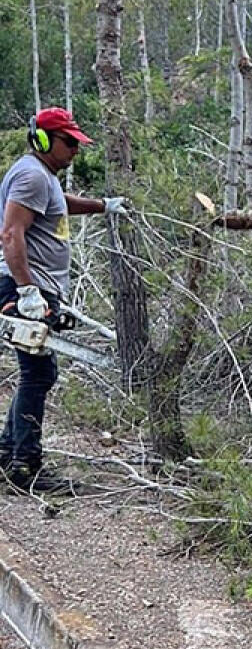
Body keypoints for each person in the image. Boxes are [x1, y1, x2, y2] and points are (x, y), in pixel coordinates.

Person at [0, 108, 127, 494]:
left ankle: (9, 455)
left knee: (39, 373)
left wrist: (102, 205)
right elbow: (10, 234)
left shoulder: (43, 177)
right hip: (24, 289)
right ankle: (25, 466)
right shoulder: (30, 175)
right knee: (38, 374)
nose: (75, 149)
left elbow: (57, 203)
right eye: (68, 142)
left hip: (34, 289)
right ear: (42, 139)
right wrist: (27, 291)